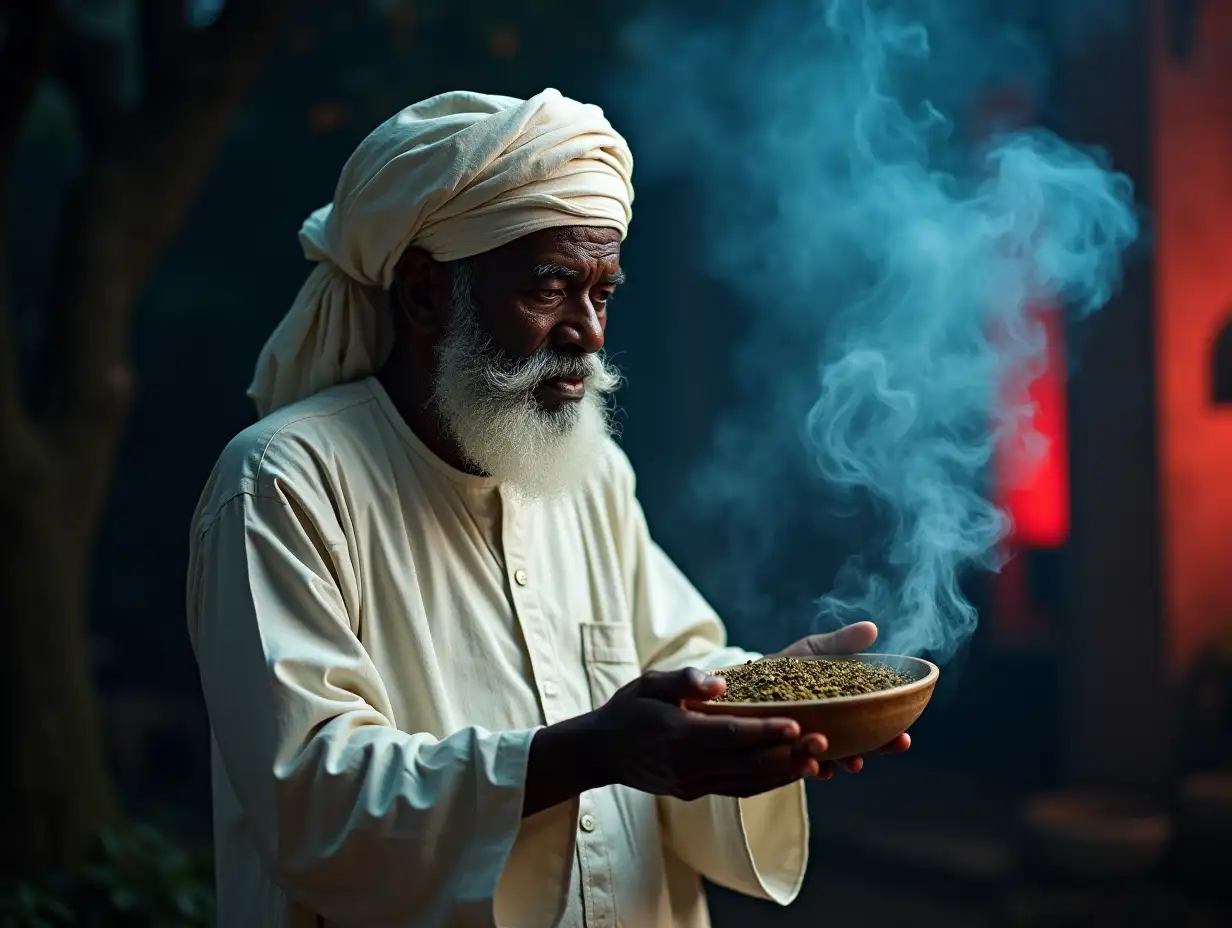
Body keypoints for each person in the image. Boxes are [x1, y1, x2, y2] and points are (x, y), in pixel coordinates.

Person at [186, 88, 910, 928]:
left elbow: (678, 665)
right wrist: (590, 750)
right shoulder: (285, 483)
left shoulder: (590, 472)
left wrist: (773, 703)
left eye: (602, 293)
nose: (590, 332)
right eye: (553, 287)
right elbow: (313, 796)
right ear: (425, 293)